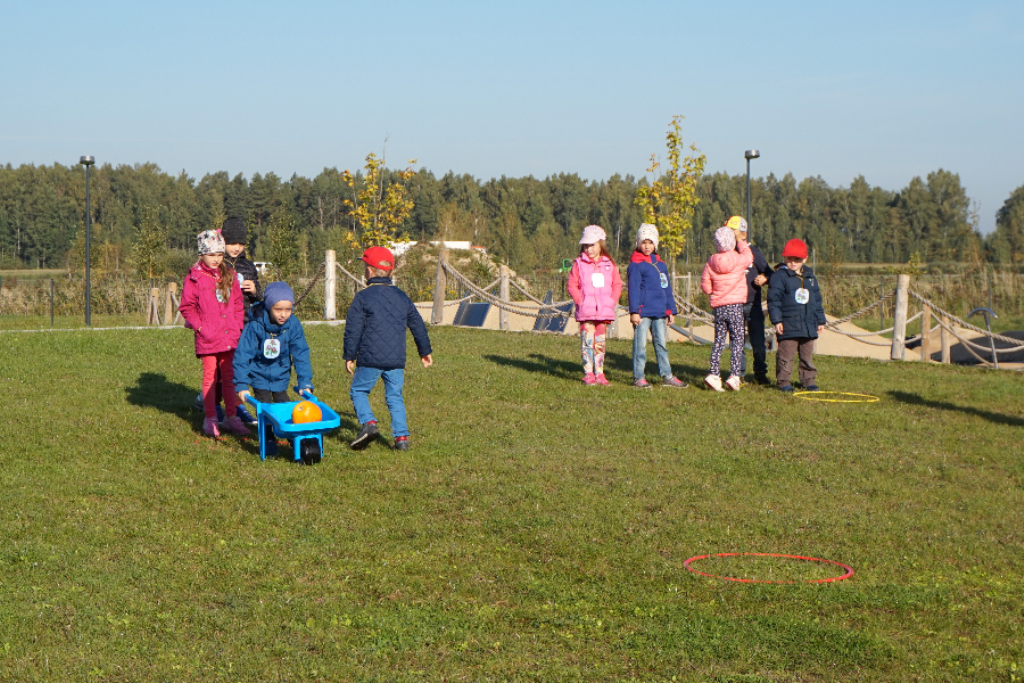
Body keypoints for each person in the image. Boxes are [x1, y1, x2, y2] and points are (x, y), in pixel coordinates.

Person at [344, 246, 433, 451]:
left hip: (370, 358)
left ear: (370, 271)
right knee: (394, 397)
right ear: (389, 271)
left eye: (365, 266)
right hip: (396, 360)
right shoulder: (402, 297)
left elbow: (353, 329)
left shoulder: (363, 297)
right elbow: (417, 325)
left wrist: (349, 355)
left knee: (358, 390)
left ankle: (369, 424)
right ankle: (401, 439)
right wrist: (424, 351)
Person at [179, 230, 250, 438]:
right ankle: (210, 417)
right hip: (208, 338)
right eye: (211, 255)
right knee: (210, 378)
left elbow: (237, 303)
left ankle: (231, 416)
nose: (216, 259)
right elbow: (187, 307)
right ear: (201, 254)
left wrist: (237, 327)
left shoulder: (228, 275)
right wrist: (201, 328)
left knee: (229, 378)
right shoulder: (194, 278)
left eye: (219, 254)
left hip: (230, 336)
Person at [192, 216, 260, 424]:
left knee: (239, 368)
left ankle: (234, 406)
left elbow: (258, 294)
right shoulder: (215, 266)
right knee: (222, 370)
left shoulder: (248, 266)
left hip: (244, 323)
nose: (236, 248)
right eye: (232, 243)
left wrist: (255, 289)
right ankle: (213, 403)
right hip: (220, 326)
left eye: (241, 243)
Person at [233, 282, 313, 456]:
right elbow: (243, 354)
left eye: (288, 309)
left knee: (284, 407)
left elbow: (301, 353)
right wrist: (241, 383)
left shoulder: (292, 325)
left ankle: (293, 437)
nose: (283, 314)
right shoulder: (255, 324)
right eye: (278, 309)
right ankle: (269, 439)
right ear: (269, 307)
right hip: (259, 373)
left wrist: (304, 381)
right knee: (266, 408)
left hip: (281, 374)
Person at [626, 223, 687, 389]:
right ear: (638, 243)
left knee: (661, 344)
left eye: (650, 242)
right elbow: (633, 289)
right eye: (644, 242)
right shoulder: (635, 265)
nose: (647, 246)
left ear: (655, 244)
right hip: (643, 312)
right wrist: (634, 311)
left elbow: (666, 288)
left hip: (659, 312)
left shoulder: (661, 266)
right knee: (640, 346)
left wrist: (670, 310)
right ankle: (639, 376)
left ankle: (667, 375)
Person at [767, 238, 826, 393]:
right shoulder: (779, 277)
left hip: (808, 325)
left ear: (804, 259)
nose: (793, 262)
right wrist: (777, 320)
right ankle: (784, 381)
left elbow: (816, 301)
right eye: (789, 259)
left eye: (797, 259)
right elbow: (774, 300)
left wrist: (820, 320)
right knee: (786, 355)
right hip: (788, 324)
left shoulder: (811, 278)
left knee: (807, 356)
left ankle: (808, 380)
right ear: (784, 258)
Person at [567, 225, 622, 385]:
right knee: (587, 341)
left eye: (592, 245)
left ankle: (600, 372)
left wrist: (611, 301)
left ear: (601, 244)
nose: (589, 249)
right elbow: (572, 285)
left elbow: (617, 284)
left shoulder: (609, 265)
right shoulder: (579, 264)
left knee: (600, 342)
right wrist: (580, 301)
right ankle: (588, 373)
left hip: (603, 311)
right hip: (586, 311)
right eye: (586, 245)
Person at [700, 226, 753, 392]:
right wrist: (741, 241)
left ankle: (714, 374)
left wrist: (714, 290)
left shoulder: (711, 262)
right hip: (735, 306)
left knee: (719, 341)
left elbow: (706, 287)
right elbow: (749, 256)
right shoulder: (738, 259)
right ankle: (734, 375)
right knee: (737, 341)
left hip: (719, 307)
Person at [726, 216, 773, 384]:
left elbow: (769, 272)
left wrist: (765, 277)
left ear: (743, 234)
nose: (730, 234)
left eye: (733, 231)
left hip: (753, 304)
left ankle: (760, 372)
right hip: (734, 304)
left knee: (758, 341)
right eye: (728, 230)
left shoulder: (754, 252)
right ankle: (738, 374)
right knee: (736, 341)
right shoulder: (727, 252)